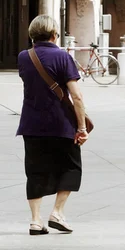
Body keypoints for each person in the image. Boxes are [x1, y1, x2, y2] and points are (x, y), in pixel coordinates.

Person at [16, 15, 88, 236]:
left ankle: (35, 221)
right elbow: (76, 96)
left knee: (35, 171)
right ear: (54, 34)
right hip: (61, 123)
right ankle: (57, 212)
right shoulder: (62, 56)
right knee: (71, 166)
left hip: (31, 123)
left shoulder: (23, 57)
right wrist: (82, 127)